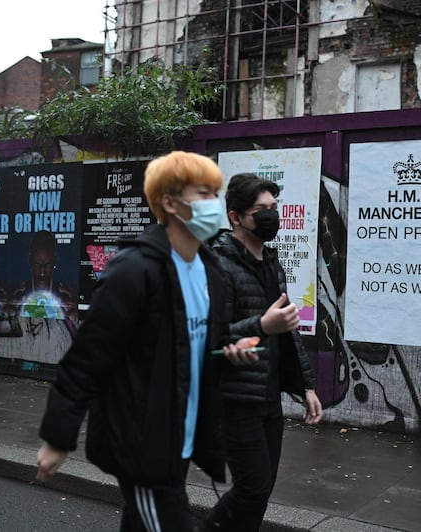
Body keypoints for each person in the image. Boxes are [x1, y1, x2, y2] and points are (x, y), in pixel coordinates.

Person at [35, 151, 259, 532]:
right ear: (169, 203)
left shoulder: (211, 273)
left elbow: (196, 346)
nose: (213, 204)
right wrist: (58, 438)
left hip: (179, 438)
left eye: (215, 193)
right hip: (141, 443)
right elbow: (87, 358)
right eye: (203, 193)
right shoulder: (134, 270)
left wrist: (228, 353)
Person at [206, 173, 323, 531]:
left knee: (260, 490)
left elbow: (287, 335)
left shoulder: (272, 262)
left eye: (274, 207)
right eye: (261, 210)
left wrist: (306, 386)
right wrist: (260, 327)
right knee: (252, 488)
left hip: (268, 397)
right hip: (233, 399)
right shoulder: (217, 265)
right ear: (235, 217)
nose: (272, 215)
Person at [12, 230, 77, 320]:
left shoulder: (67, 295)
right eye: (37, 264)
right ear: (30, 261)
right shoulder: (18, 294)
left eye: (47, 264)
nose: (42, 271)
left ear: (54, 261)